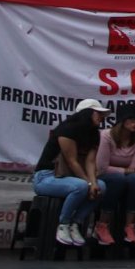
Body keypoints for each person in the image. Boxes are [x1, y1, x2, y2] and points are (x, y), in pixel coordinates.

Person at [32, 99, 109, 247]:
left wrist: (93, 183)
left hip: (71, 178)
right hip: (47, 177)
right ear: (87, 113)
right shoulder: (67, 130)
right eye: (97, 113)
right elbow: (72, 161)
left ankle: (76, 222)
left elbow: (90, 161)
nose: (101, 117)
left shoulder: (95, 134)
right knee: (80, 187)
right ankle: (63, 224)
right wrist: (88, 183)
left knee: (102, 186)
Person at [95, 102, 135, 245]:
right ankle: (102, 224)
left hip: (128, 177)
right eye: (131, 119)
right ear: (122, 121)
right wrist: (125, 171)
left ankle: (130, 226)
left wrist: (129, 171)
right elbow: (102, 167)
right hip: (108, 176)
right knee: (118, 179)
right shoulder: (106, 136)